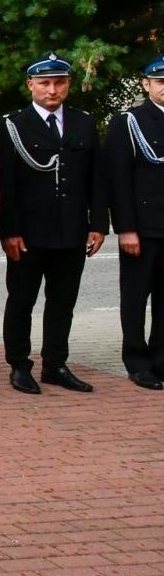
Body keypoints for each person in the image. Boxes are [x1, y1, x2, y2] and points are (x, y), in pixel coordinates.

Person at [0, 53, 107, 395]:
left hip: (71, 230)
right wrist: (8, 231)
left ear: (69, 85)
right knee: (22, 301)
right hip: (28, 233)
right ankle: (19, 365)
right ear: (31, 85)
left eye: (59, 83)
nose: (52, 90)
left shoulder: (83, 122)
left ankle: (55, 364)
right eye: (44, 83)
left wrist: (98, 223)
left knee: (62, 303)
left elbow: (95, 179)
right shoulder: (12, 125)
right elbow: (5, 185)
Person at [106, 54, 164, 389]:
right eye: (160, 82)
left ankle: (161, 358)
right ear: (146, 85)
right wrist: (126, 228)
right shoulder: (129, 121)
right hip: (142, 226)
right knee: (136, 296)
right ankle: (137, 360)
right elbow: (119, 179)